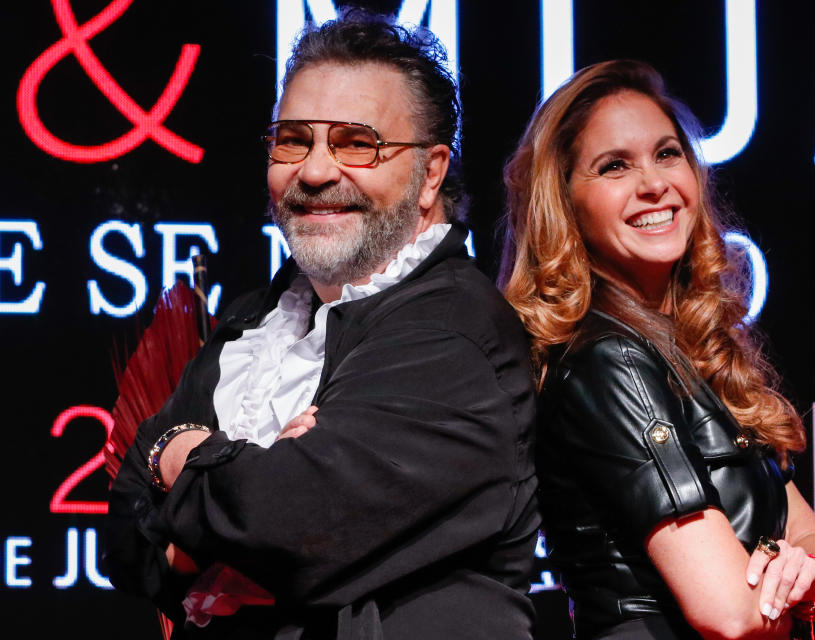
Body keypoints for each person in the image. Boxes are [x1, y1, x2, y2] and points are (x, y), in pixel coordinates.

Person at [105, 15, 538, 640]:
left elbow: (279, 520)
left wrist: (177, 454)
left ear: (432, 173)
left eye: (357, 143)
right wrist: (230, 481)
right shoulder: (257, 318)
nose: (313, 172)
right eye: (292, 140)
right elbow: (122, 535)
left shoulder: (453, 334)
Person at [499, 59, 815, 639]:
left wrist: (802, 567)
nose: (654, 184)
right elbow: (731, 612)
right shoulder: (609, 360)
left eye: (667, 154)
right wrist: (799, 582)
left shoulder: (691, 350)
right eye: (615, 166)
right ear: (567, 205)